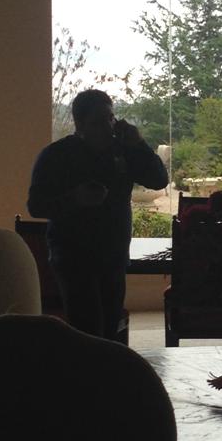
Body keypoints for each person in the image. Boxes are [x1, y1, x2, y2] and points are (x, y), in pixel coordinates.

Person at [27, 89, 169, 340]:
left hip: (114, 257)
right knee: (88, 331)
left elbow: (159, 180)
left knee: (109, 331)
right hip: (73, 259)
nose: (108, 127)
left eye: (110, 118)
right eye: (99, 121)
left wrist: (138, 144)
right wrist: (75, 199)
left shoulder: (123, 151)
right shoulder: (56, 156)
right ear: (80, 124)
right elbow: (36, 206)